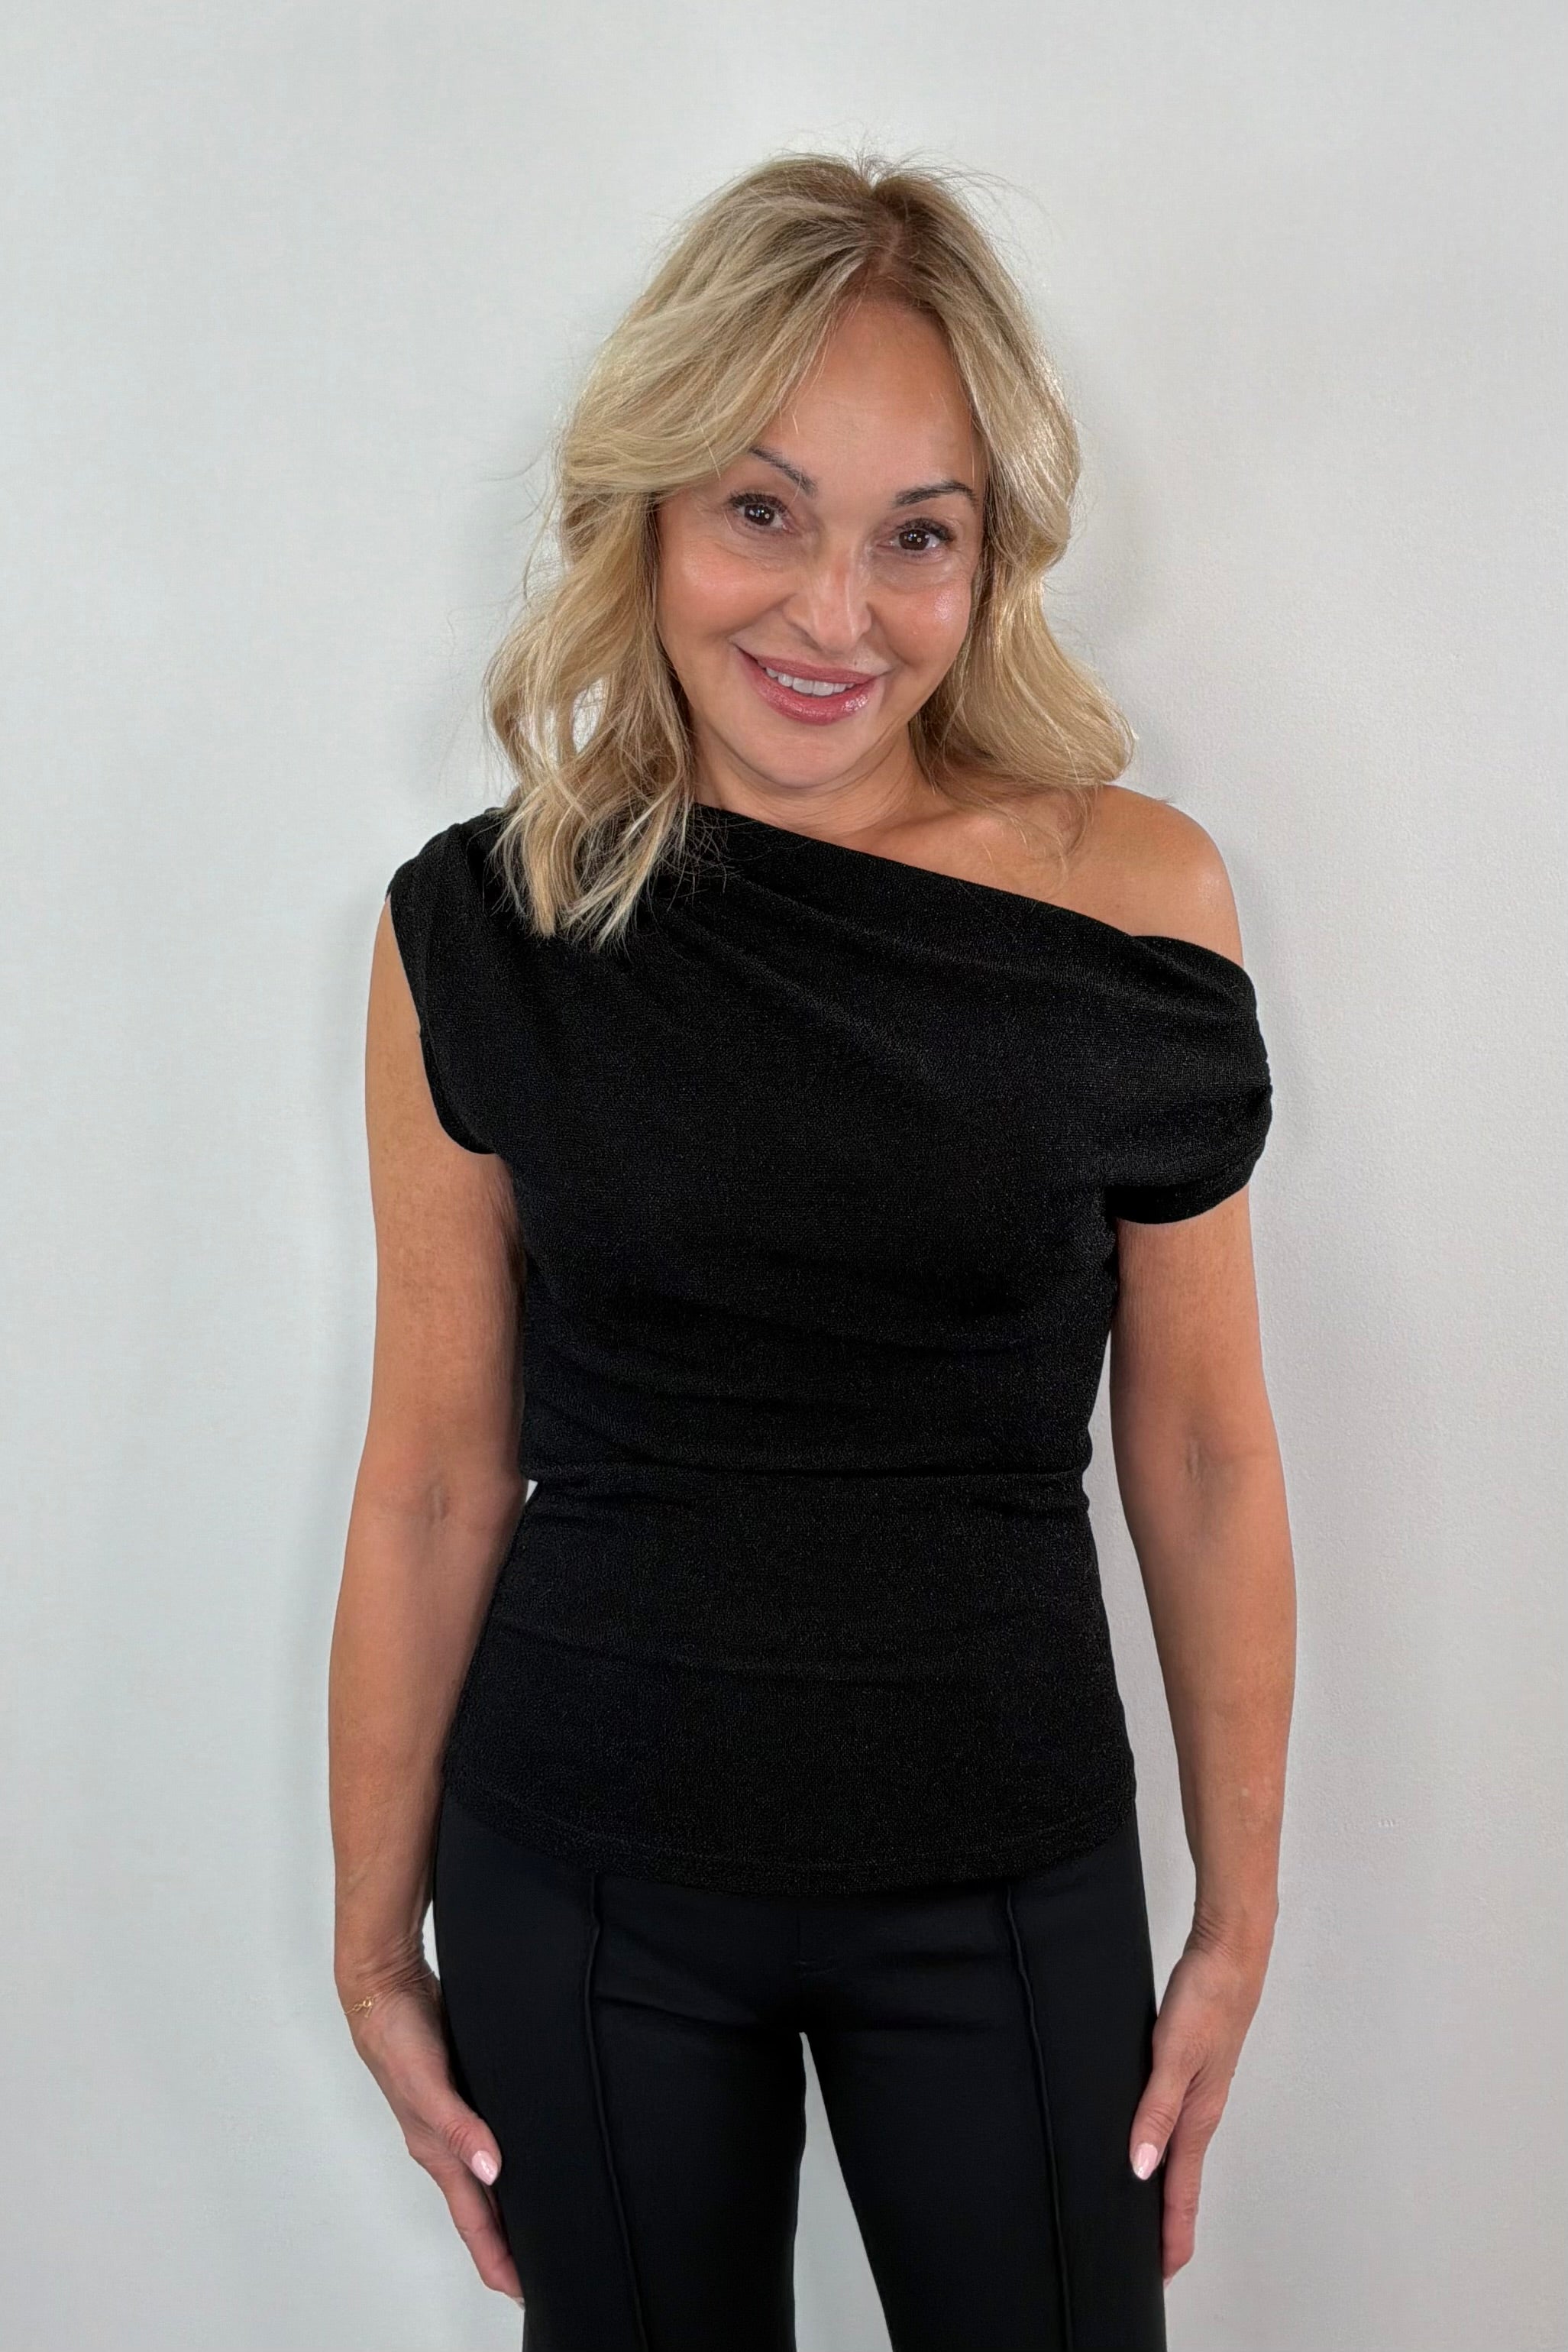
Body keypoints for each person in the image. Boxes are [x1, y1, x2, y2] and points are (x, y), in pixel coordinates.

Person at [328, 150, 1295, 2352]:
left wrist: (1236, 1921)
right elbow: (436, 1475)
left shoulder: (1135, 907)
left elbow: (1214, 1459)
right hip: (580, 1886)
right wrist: (373, 1941)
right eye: (764, 510)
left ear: (990, 558)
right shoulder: (479, 934)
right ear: (654, 510)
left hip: (1003, 1862)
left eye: (914, 534)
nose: (834, 612)